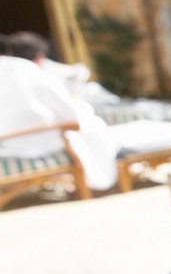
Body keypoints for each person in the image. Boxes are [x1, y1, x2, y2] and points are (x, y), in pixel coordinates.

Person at [0, 32, 119, 190]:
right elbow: (70, 115)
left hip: (7, 145)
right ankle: (98, 182)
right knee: (91, 123)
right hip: (46, 142)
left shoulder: (22, 70)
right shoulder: (27, 70)